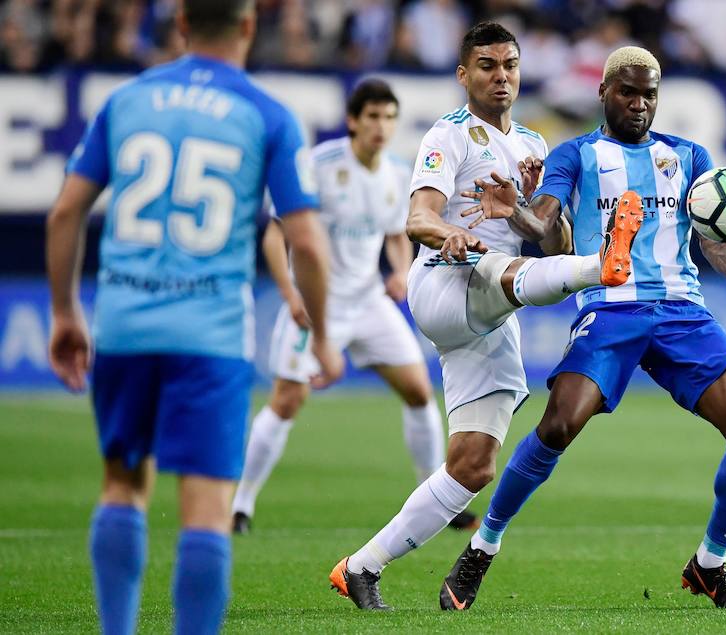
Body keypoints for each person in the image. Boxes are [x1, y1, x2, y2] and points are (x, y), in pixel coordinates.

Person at [439, 45, 726, 611]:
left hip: (680, 311)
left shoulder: (688, 155)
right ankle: (482, 545)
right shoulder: (577, 155)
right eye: (628, 91)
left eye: (649, 94)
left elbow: (713, 233)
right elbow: (545, 229)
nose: (639, 104)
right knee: (558, 426)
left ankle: (710, 563)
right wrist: (512, 209)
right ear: (604, 92)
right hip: (610, 307)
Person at [45, 1, 343, 633]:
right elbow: (310, 246)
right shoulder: (267, 114)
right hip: (210, 336)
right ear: (246, 26)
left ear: (180, 23)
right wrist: (321, 335)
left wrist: (66, 313)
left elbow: (64, 214)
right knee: (206, 511)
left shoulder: (126, 100)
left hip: (123, 325)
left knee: (121, 484)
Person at [328, 22, 639, 611]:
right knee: (503, 268)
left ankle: (361, 568)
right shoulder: (448, 138)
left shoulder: (533, 145)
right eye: (488, 65)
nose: (502, 76)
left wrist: (527, 209)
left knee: (473, 465)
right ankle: (606, 266)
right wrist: (449, 234)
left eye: (511, 65)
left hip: (493, 312)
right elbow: (418, 218)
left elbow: (550, 242)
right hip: (444, 285)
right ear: (463, 74)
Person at [231, 79, 478, 535]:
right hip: (316, 304)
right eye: (373, 117)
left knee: (419, 391)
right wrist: (290, 296)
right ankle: (240, 505)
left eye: (389, 118)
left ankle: (435, 498)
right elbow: (275, 235)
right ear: (352, 121)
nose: (382, 127)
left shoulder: (395, 172)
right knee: (288, 399)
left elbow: (393, 234)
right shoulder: (318, 166)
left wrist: (400, 271)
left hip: (367, 301)